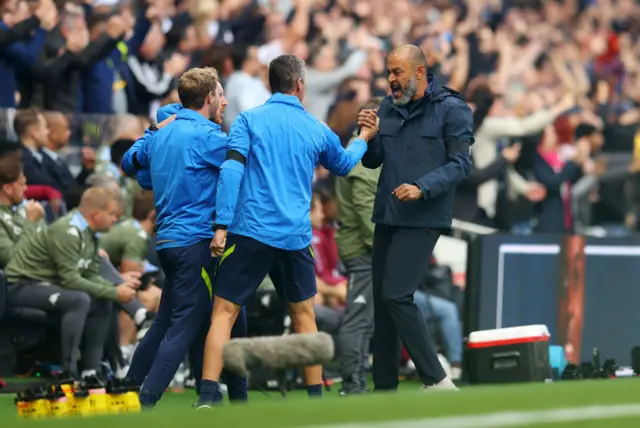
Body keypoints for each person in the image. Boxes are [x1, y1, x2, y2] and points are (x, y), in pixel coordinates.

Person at [197, 54, 378, 408]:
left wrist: (221, 224)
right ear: (299, 85)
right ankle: (315, 400)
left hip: (249, 231)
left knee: (223, 313)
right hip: (295, 238)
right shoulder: (315, 127)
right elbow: (342, 164)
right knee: (304, 316)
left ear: (270, 84)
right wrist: (364, 137)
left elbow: (231, 173)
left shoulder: (248, 120)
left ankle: (206, 396)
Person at [120, 67, 247, 409]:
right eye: (220, 94)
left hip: (167, 243)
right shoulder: (209, 138)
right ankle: (145, 400)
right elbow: (243, 165)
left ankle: (128, 388)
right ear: (208, 98)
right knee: (186, 324)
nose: (223, 100)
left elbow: (130, 164)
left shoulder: (162, 134)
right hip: (195, 242)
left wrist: (151, 130)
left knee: (164, 323)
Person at [357, 44, 473, 391]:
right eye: (389, 72)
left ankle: (437, 379)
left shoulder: (453, 109)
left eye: (398, 72)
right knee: (383, 304)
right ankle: (384, 389)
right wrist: (369, 137)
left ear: (420, 72)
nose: (391, 79)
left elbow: (461, 164)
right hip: (388, 216)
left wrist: (422, 187)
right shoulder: (387, 107)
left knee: (397, 295)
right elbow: (373, 161)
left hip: (424, 215)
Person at [4, 187, 138, 377]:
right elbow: (70, 280)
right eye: (112, 214)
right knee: (79, 299)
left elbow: (91, 274)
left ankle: (91, 371)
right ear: (95, 214)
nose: (115, 219)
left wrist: (111, 289)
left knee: (100, 299)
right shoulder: (67, 230)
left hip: (44, 284)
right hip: (20, 285)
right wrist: (115, 292)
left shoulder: (89, 233)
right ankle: (69, 373)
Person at [334, 97, 383, 395]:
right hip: (364, 248)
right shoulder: (363, 157)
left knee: (365, 320)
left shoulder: (363, 151)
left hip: (364, 246)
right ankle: (352, 383)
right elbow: (366, 209)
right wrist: (384, 248)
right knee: (358, 319)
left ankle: (358, 381)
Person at [0, 144, 46, 268]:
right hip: (21, 282)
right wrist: (31, 222)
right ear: (8, 188)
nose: (26, 189)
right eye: (22, 184)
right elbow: (14, 260)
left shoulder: (24, 208)